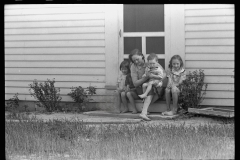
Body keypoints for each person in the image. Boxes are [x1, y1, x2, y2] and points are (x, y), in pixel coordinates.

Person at [127, 49, 168, 121]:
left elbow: (164, 74)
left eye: (137, 59)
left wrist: (156, 80)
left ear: (142, 56)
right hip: (141, 87)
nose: (136, 62)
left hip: (154, 84)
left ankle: (144, 110)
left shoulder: (150, 61)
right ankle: (144, 113)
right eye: (134, 60)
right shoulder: (133, 66)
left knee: (153, 88)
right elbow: (135, 83)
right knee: (150, 89)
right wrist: (147, 76)